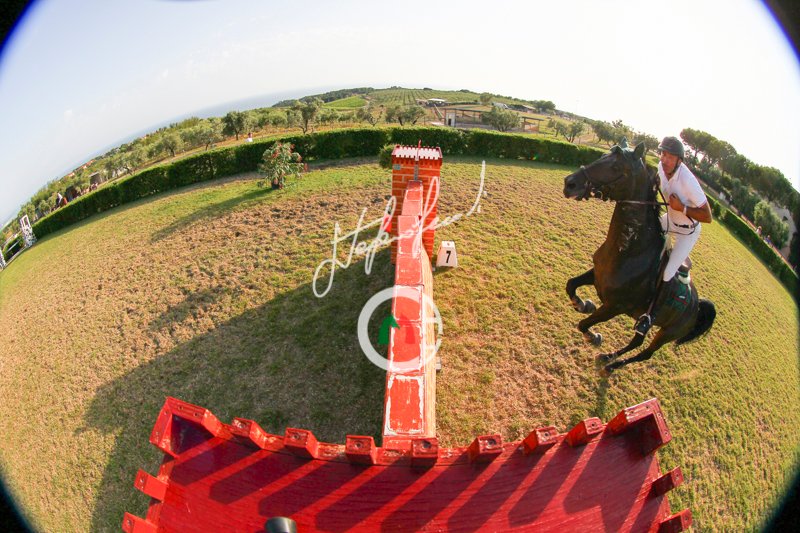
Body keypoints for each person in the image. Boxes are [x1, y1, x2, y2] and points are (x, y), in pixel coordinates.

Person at [634, 136, 713, 336]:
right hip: (669, 220)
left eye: (670, 156)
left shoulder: (688, 181)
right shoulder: (661, 168)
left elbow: (708, 216)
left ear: (679, 160)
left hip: (687, 231)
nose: (664, 159)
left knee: (668, 273)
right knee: (643, 233)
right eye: (663, 154)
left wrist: (682, 208)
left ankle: (650, 317)